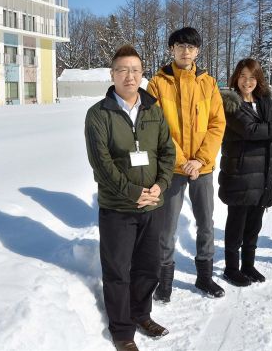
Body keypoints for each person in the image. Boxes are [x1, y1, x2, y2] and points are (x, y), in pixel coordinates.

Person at [85, 45, 176, 351]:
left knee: (148, 267)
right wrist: (134, 192)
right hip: (118, 208)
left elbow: (167, 151)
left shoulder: (153, 109)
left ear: (142, 74)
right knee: (118, 271)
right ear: (112, 74)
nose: (130, 76)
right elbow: (102, 164)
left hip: (153, 205)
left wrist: (160, 185)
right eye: (123, 70)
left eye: (135, 70)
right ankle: (122, 330)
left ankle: (141, 313)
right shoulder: (98, 114)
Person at [147, 27, 226, 301]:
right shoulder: (157, 83)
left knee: (206, 223)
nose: (185, 51)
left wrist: (200, 160)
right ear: (172, 49)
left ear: (198, 51)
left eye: (191, 47)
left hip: (202, 169)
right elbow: (156, 127)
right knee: (166, 226)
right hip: (172, 168)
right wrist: (182, 161)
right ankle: (164, 280)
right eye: (180, 46)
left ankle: (205, 277)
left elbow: (218, 124)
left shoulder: (209, 83)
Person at [219, 58, 272, 287]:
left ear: (258, 79)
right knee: (236, 224)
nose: (247, 81)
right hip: (240, 172)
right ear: (236, 77)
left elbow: (269, 137)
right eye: (243, 76)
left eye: (252, 77)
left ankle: (248, 265)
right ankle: (231, 269)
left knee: (255, 224)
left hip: (262, 174)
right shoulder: (230, 104)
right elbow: (252, 131)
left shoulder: (263, 103)